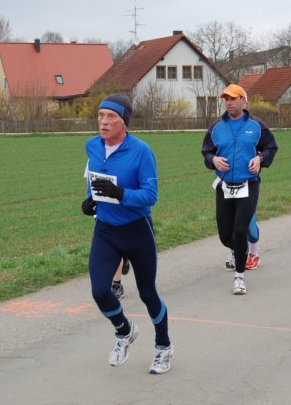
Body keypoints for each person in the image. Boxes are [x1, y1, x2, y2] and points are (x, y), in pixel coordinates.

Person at [82, 94, 172, 374]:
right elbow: (94, 179)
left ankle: (163, 347)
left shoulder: (141, 151)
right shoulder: (92, 146)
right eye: (100, 115)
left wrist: (120, 194)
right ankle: (124, 331)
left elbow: (150, 196)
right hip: (105, 230)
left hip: (136, 230)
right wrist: (90, 199)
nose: (103, 122)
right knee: (100, 291)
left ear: (124, 123)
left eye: (111, 117)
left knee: (147, 293)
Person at [202, 84, 278, 295]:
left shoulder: (257, 126)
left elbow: (271, 148)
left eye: (233, 99)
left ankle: (240, 277)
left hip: (248, 185)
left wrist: (260, 158)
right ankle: (239, 250)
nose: (229, 103)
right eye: (226, 99)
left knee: (240, 229)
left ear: (244, 101)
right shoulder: (216, 127)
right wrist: (214, 160)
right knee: (225, 234)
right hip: (224, 186)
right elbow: (206, 152)